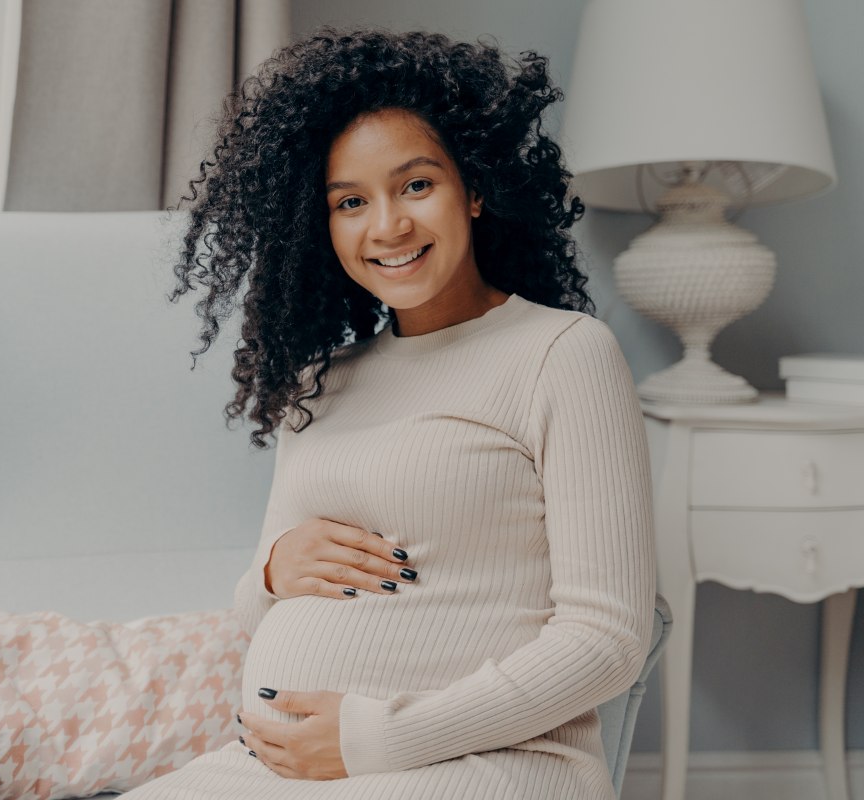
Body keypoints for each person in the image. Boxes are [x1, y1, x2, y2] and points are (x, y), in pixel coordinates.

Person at [121, 27, 656, 799]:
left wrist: (376, 737)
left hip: (484, 763)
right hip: (277, 768)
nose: (388, 227)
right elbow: (251, 612)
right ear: (322, 224)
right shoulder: (320, 381)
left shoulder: (563, 354)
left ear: (474, 188)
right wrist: (272, 571)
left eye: (416, 185)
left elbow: (607, 641)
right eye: (350, 201)